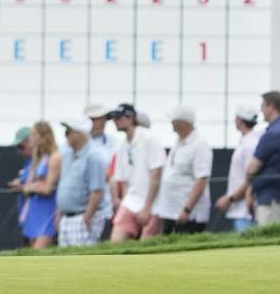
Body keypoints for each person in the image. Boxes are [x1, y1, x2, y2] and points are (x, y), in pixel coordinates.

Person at [109, 103, 166, 242]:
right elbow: (123, 180)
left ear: (130, 118)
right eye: (114, 118)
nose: (115, 121)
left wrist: (147, 207)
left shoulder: (149, 138)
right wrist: (123, 203)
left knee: (147, 250)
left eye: (119, 117)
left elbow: (156, 173)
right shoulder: (122, 146)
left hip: (153, 205)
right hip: (131, 202)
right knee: (114, 243)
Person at [152, 106, 212, 235]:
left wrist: (187, 210)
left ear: (183, 123)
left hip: (188, 216)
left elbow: (202, 180)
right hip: (171, 212)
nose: (171, 124)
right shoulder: (178, 141)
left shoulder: (200, 145)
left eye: (174, 121)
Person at [56, 118, 108, 247]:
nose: (65, 135)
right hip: (67, 218)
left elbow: (97, 191)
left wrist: (87, 217)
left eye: (68, 132)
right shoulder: (67, 154)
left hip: (83, 217)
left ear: (79, 133)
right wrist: (60, 214)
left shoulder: (94, 156)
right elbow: (63, 187)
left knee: (82, 261)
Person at [216, 106, 262, 232]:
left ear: (240, 121)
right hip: (240, 210)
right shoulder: (248, 142)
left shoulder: (250, 145)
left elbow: (250, 178)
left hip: (246, 211)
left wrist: (230, 199)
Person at [248, 90, 280, 226]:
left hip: (272, 201)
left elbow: (252, 168)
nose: (261, 110)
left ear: (271, 107)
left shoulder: (272, 134)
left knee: (270, 239)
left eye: (263, 106)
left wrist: (249, 188)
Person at [21, 122, 61, 249]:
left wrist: (34, 186)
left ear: (44, 137)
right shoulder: (37, 158)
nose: (30, 138)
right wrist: (36, 185)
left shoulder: (55, 157)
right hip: (34, 211)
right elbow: (26, 189)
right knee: (32, 253)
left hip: (49, 212)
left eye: (33, 134)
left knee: (39, 252)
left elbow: (47, 188)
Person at [84, 103, 118, 233]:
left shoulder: (115, 143)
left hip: (107, 203)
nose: (101, 122)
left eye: (103, 119)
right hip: (87, 200)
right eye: (97, 119)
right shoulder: (82, 143)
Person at [8, 126, 33, 238]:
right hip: (27, 218)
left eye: (21, 147)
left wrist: (23, 186)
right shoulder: (28, 162)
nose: (19, 151)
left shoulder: (46, 160)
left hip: (39, 217)